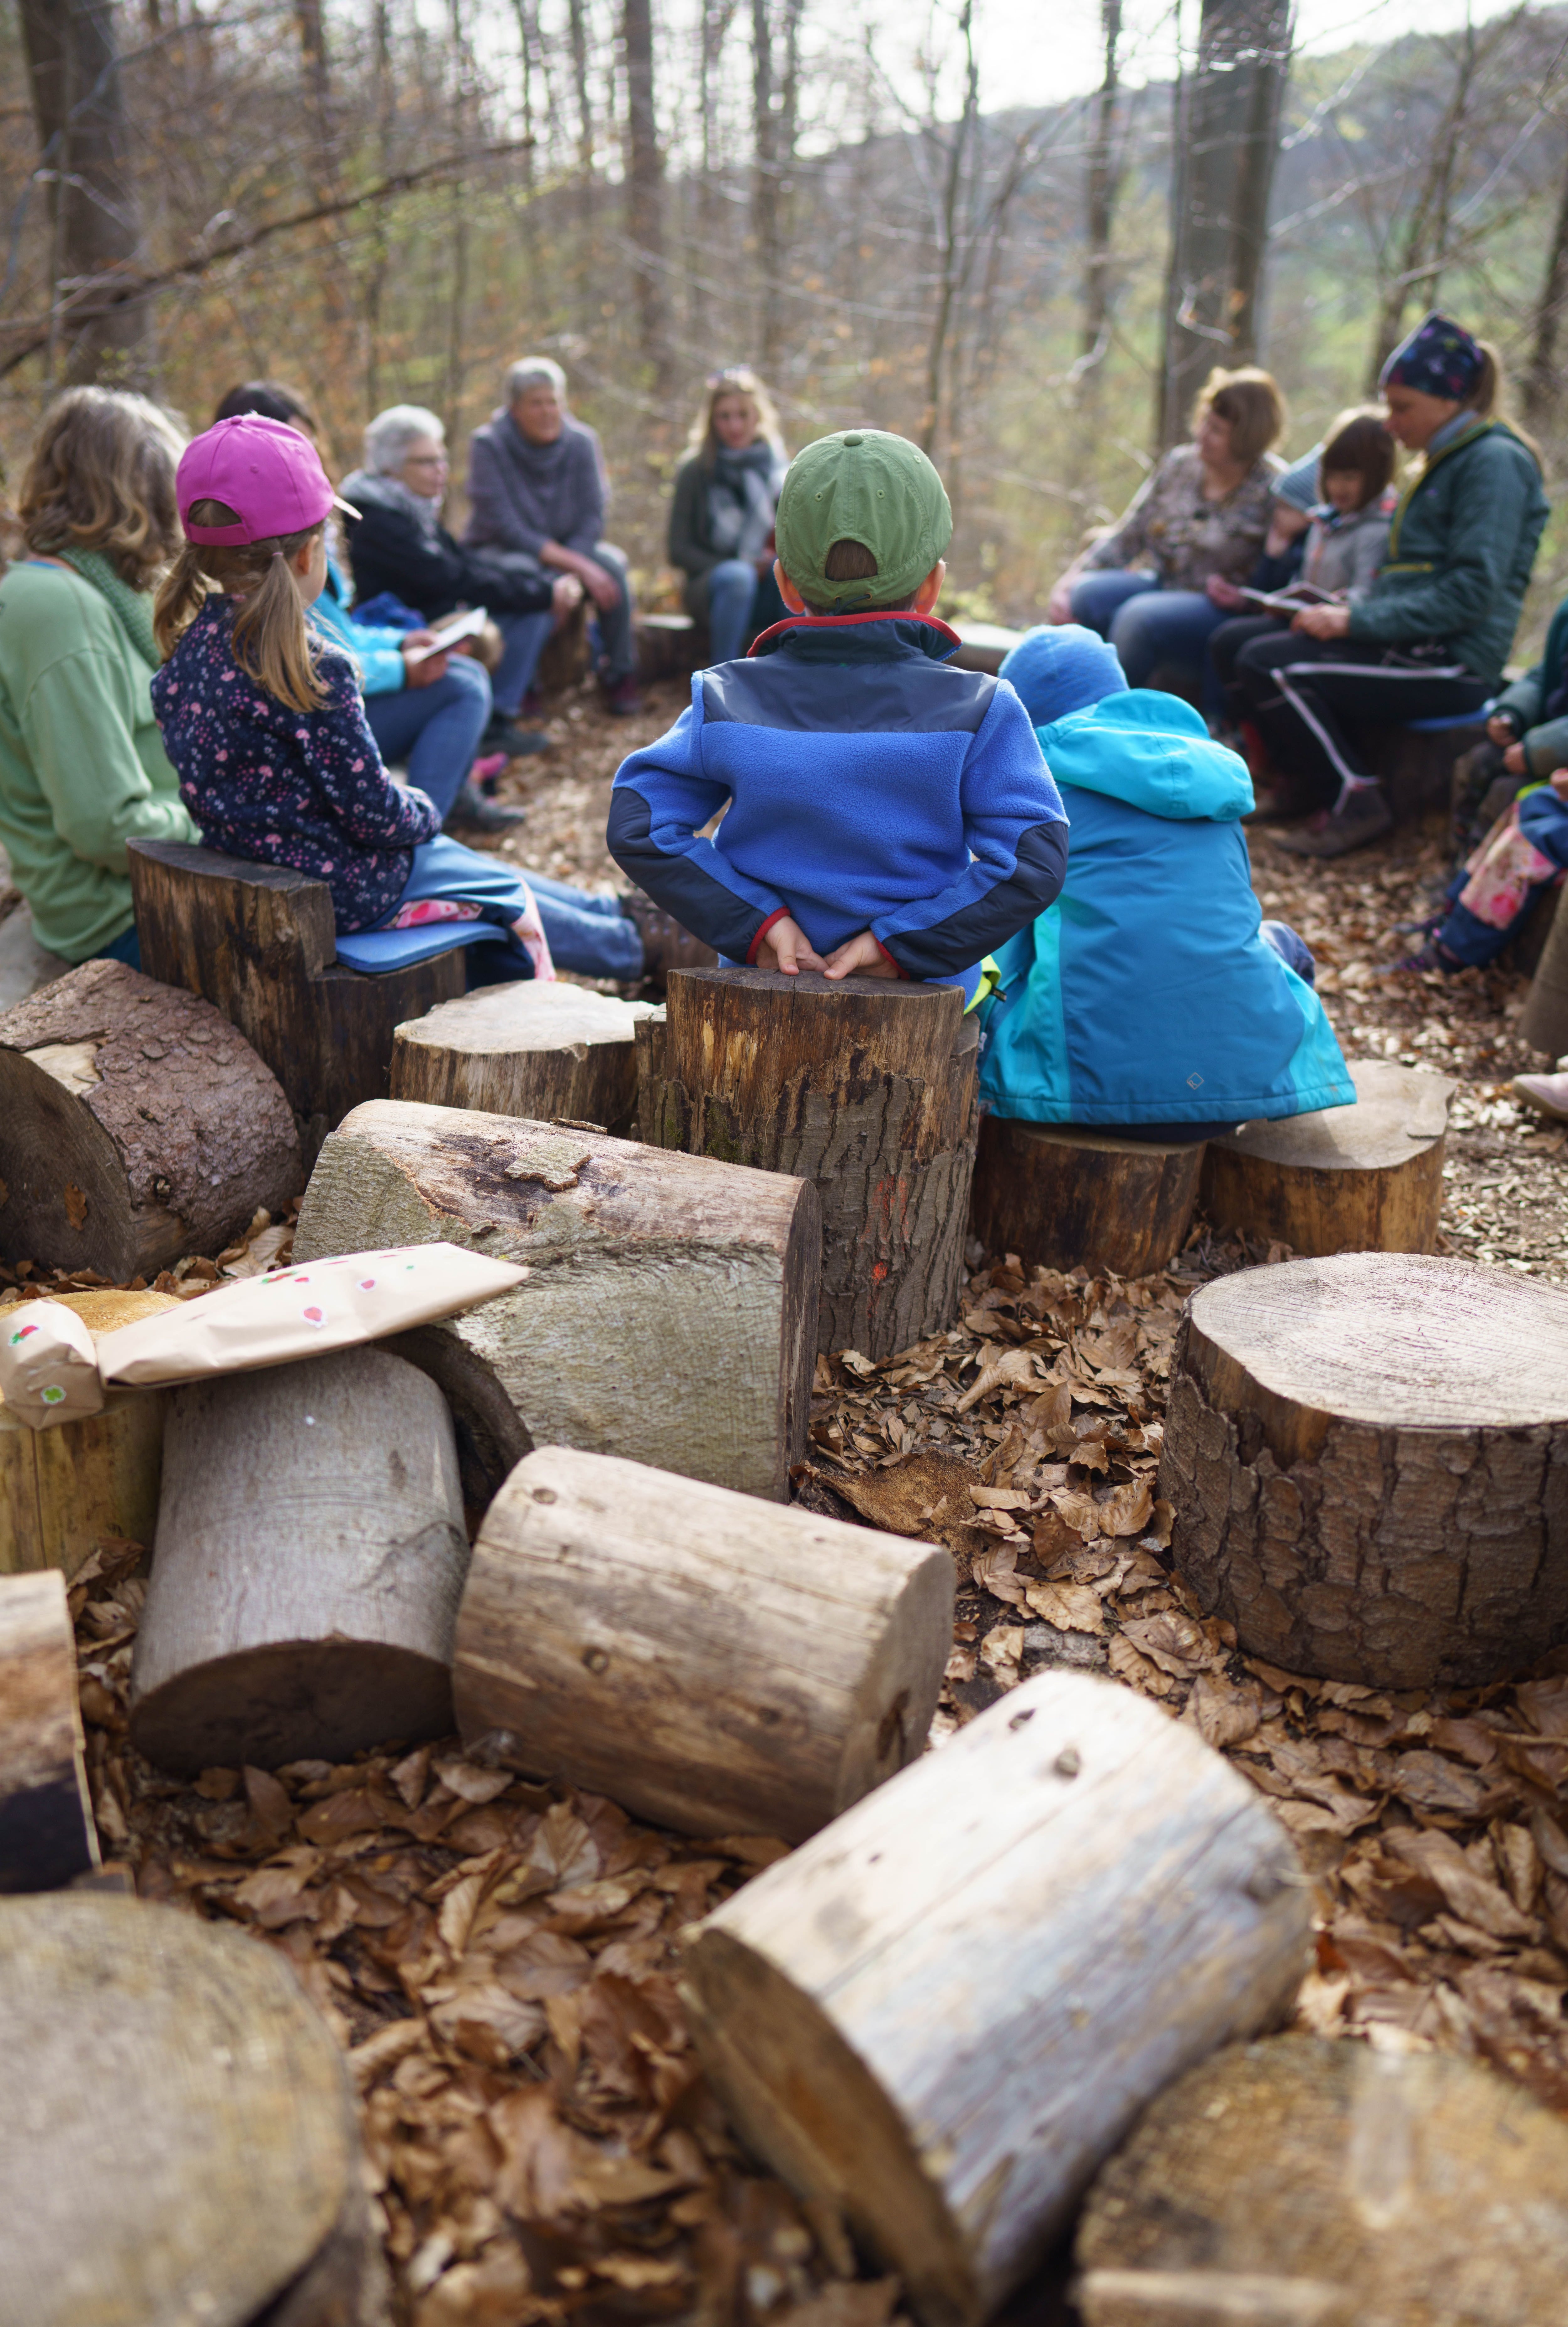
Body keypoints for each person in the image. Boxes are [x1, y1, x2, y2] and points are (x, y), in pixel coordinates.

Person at [149, 415, 693, 988]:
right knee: (491, 886)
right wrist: (424, 809)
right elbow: (376, 815)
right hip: (347, 892)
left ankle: (621, 915)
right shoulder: (315, 669)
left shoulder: (182, 665)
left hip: (273, 878)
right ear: (311, 555)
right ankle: (640, 946)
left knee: (458, 860)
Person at [607, 428, 1067, 1001]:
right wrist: (902, 945)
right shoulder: (980, 708)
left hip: (758, 994)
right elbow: (1033, 859)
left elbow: (640, 822)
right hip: (923, 1003)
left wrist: (758, 924)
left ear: (785, 585)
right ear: (933, 586)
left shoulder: (725, 697)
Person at [978, 627, 1353, 1138]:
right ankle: (1274, 1067)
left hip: (1084, 1093)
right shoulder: (1215, 778)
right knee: (1280, 941)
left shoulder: (1036, 791)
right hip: (1235, 1091)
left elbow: (1003, 938)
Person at [1232, 312, 1549, 858]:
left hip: (1452, 661)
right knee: (1240, 643)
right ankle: (1310, 786)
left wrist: (1355, 621)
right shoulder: (1448, 460)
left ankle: (1358, 797)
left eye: (1402, 407)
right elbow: (1414, 579)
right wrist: (1341, 607)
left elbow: (1471, 592)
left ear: (1449, 401)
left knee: (1273, 664)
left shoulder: (1494, 464)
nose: (1390, 424)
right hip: (1412, 641)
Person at [212, 381, 511, 834]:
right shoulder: (270, 557)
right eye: (286, 447)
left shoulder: (309, 537)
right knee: (462, 685)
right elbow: (314, 663)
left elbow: (339, 631)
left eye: (307, 443)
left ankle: (439, 811)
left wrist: (400, 641)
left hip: (345, 685)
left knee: (466, 669)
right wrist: (401, 666)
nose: (304, 457)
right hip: (317, 719)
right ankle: (423, 839)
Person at [0, 386, 200, 970]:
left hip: (158, 886)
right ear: (138, 492)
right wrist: (225, 816)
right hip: (126, 915)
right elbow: (109, 827)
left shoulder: (98, 591)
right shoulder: (58, 607)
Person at [340, 404, 577, 761]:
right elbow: (453, 580)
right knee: (524, 614)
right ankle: (493, 724)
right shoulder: (378, 521)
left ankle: (499, 718)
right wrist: (544, 593)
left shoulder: (410, 507)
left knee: (532, 606)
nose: (441, 471)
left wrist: (543, 585)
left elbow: (464, 563)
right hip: (404, 632)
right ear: (390, 467)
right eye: (426, 461)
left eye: (442, 459)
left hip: (436, 616)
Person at [1046, 367, 1286, 706]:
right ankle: (1057, 701)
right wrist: (1070, 580)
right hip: (1164, 583)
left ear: (1246, 437)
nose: (1201, 433)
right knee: (1086, 595)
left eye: (1216, 430)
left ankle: (1103, 715)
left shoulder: (1275, 490)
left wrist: (1246, 599)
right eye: (1203, 421)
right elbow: (1129, 534)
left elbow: (1282, 573)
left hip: (1220, 609)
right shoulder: (1180, 465)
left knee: (1138, 617)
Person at [1208, 409, 1397, 746]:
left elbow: (1367, 597)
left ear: (1375, 476)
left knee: (1256, 657)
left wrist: (1333, 607)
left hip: (1338, 632)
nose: (1338, 487)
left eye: (1350, 477)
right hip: (1303, 620)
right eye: (1333, 477)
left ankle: (1283, 754)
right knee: (1227, 640)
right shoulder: (1323, 523)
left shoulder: (1375, 533)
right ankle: (1249, 739)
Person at [464, 359, 642, 717]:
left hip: (570, 549)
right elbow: (504, 526)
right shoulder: (488, 445)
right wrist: (573, 569)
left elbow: (594, 515)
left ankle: (619, 673)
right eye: (536, 403)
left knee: (611, 567)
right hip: (504, 550)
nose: (548, 412)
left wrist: (574, 567)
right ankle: (524, 684)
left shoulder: (581, 442)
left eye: (553, 402)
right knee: (526, 573)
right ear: (514, 409)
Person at [667, 369, 788, 666]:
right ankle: (722, 679)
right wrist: (740, 565)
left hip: (767, 584)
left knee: (789, 571)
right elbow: (678, 550)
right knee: (738, 577)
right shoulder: (695, 470)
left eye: (742, 415)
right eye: (724, 416)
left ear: (758, 416)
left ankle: (797, 673)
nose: (734, 426)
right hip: (714, 588)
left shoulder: (779, 468)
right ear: (712, 419)